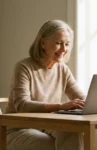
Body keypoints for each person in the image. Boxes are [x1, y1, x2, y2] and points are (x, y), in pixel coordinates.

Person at [5, 20, 85, 150]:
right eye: (58, 43)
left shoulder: (62, 69)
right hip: (18, 128)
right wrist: (61, 106)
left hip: (47, 125)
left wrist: (95, 103)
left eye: (67, 44)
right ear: (42, 43)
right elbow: (22, 105)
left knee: (72, 132)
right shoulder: (24, 67)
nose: (64, 49)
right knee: (48, 144)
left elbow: (81, 97)